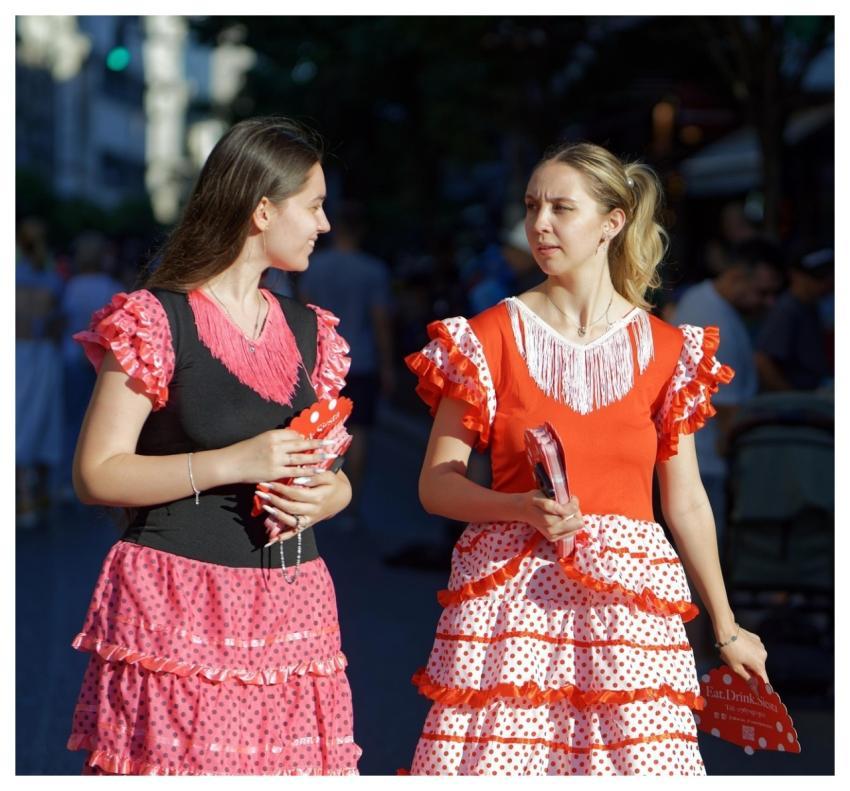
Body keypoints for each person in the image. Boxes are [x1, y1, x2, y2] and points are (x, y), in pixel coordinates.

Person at [403, 142, 769, 775]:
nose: (539, 223)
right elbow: (438, 486)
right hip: (512, 608)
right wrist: (519, 506)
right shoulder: (485, 336)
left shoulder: (666, 350)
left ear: (612, 221)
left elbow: (684, 501)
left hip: (633, 606)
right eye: (532, 206)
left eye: (561, 208)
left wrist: (727, 626)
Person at [66, 117, 362, 775]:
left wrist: (324, 495)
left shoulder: (314, 332)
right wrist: (236, 462)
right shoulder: (154, 318)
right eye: (313, 204)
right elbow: (96, 472)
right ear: (262, 210)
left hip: (295, 603)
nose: (326, 223)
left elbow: (335, 479)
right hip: (175, 598)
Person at [673, 237, 783, 540]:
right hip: (706, 461)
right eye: (763, 292)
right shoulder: (713, 317)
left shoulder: (703, 300)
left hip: (699, 460)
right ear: (737, 275)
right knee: (707, 556)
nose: (769, 302)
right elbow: (727, 412)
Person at [298, 201, 395, 526]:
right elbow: (380, 321)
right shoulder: (373, 270)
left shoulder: (313, 266)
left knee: (320, 430)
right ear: (362, 231)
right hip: (361, 360)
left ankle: (316, 498)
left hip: (321, 362)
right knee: (360, 432)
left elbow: (301, 312)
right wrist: (387, 366)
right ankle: (348, 505)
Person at [755, 247, 834, 392]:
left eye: (829, 276)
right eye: (818, 277)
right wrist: (793, 399)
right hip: (795, 405)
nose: (826, 283)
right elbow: (762, 361)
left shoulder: (813, 305)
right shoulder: (786, 309)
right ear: (795, 275)